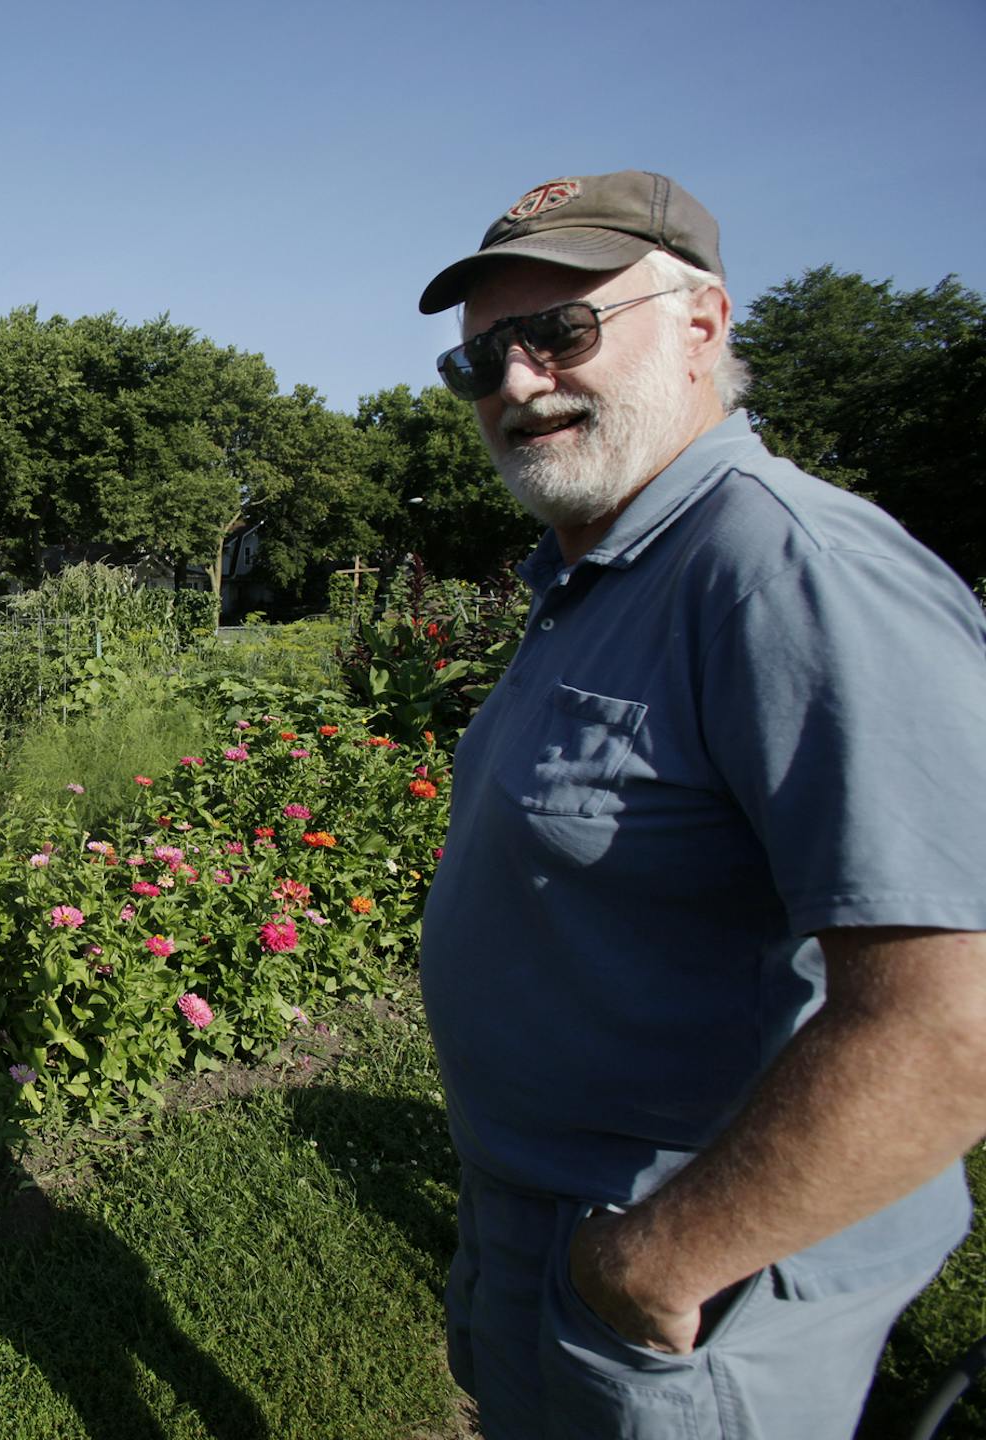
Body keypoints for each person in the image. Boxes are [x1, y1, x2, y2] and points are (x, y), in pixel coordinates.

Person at [415, 170, 986, 1438]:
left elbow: (955, 1024)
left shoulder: (790, 572)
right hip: (545, 1222)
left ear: (703, 322)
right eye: (481, 361)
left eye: (562, 332)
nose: (516, 383)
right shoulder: (613, 572)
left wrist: (656, 1263)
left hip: (683, 1280)